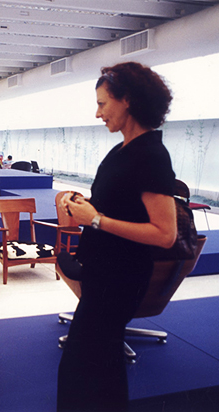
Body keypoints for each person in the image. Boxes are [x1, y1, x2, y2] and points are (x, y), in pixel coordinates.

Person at [57, 62, 177, 412]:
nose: (97, 113)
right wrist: (84, 207)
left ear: (127, 100)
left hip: (120, 279)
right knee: (101, 367)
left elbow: (165, 234)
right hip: (102, 274)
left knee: (82, 368)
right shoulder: (121, 150)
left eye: (102, 104)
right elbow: (115, 208)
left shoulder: (152, 154)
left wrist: (95, 220)